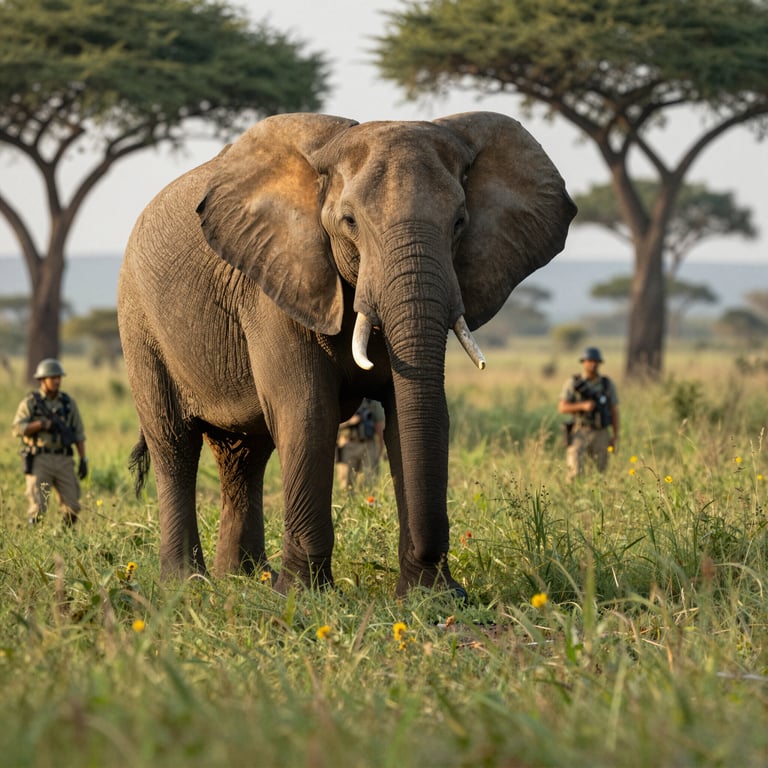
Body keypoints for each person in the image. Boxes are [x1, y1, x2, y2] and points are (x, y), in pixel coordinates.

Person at [12, 358, 88, 525]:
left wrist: (83, 459)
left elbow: (79, 434)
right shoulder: (31, 402)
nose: (57, 381)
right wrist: (40, 425)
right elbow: (17, 428)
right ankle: (35, 541)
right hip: (40, 459)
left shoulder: (68, 403)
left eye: (58, 377)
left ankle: (64, 537)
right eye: (52, 377)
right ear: (42, 380)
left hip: (64, 459)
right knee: (38, 508)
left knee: (73, 506)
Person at [558, 347, 619, 482]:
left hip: (601, 432)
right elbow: (562, 407)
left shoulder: (606, 384)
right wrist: (582, 406)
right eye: (590, 361)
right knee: (575, 471)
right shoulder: (574, 383)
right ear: (583, 362)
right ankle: (571, 499)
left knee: (600, 473)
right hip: (580, 430)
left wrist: (615, 435)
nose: (593, 364)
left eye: (596, 361)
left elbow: (614, 410)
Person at [336, 398, 385, 491]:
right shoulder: (342, 397)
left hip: (368, 444)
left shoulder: (372, 401)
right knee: (345, 483)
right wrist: (350, 421)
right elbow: (332, 422)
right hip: (347, 443)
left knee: (369, 481)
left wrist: (381, 448)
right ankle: (346, 504)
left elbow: (379, 425)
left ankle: (367, 504)